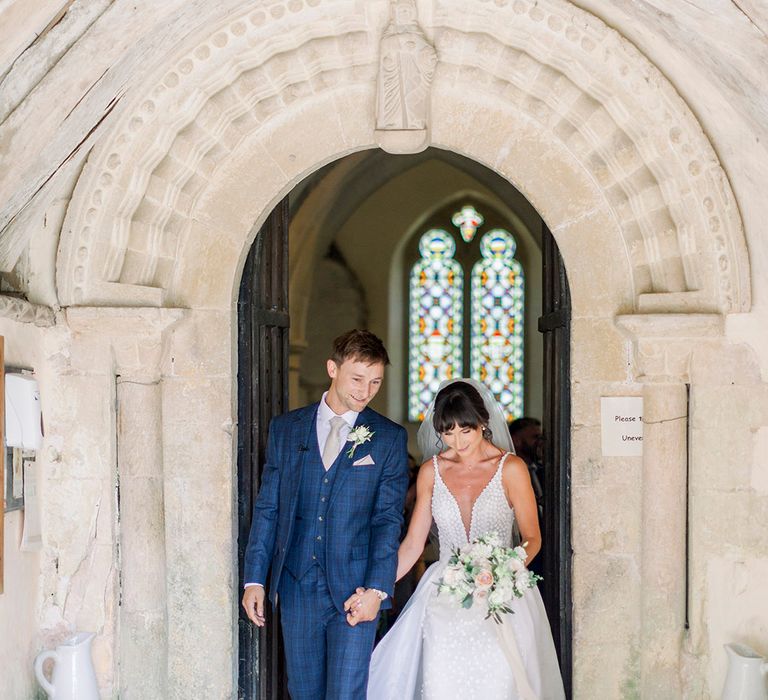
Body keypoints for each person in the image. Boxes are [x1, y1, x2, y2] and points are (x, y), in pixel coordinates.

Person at [362, 379, 564, 699]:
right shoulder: (431, 471)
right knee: (443, 683)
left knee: (499, 683)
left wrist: (502, 570)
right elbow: (414, 544)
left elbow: (532, 537)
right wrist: (376, 588)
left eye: (464, 430)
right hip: (444, 596)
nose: (457, 441)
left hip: (502, 595)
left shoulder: (511, 468)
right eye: (447, 432)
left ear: (482, 423)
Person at [241, 329, 409, 700]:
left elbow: (387, 520)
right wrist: (254, 578)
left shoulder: (388, 437)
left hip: (355, 591)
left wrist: (377, 591)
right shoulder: (286, 429)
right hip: (297, 586)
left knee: (346, 693)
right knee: (302, 692)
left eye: (376, 382)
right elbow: (269, 507)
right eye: (357, 379)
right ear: (332, 368)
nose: (365, 391)